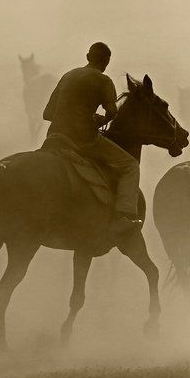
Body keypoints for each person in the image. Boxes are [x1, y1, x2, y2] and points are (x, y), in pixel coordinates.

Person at [43, 42, 141, 234]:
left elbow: (47, 113)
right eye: (106, 61)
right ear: (106, 62)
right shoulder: (103, 80)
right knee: (130, 166)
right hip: (82, 139)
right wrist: (99, 119)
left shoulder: (67, 75)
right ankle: (124, 216)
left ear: (88, 56)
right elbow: (113, 112)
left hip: (54, 136)